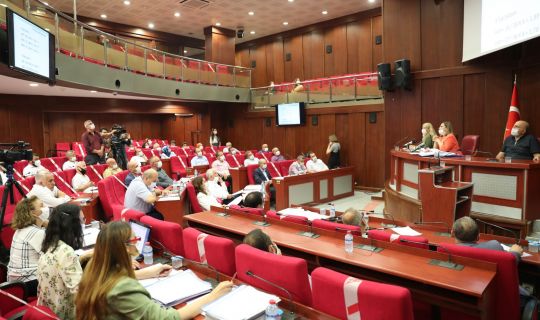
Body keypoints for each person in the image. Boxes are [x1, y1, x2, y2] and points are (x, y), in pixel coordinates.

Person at [75, 221, 233, 320]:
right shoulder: (123, 287)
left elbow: (111, 281)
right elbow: (169, 318)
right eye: (135, 240)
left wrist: (146, 273)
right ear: (125, 248)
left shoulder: (93, 267)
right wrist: (214, 295)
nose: (137, 245)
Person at [37, 203, 87, 320]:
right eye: (82, 220)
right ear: (72, 224)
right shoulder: (67, 252)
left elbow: (59, 268)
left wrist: (81, 258)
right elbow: (82, 294)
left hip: (50, 310)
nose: (84, 223)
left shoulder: (50, 244)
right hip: (66, 315)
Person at [8, 196, 46, 296]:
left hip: (15, 283)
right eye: (41, 206)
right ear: (33, 213)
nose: (45, 208)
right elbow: (53, 257)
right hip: (29, 283)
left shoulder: (19, 230)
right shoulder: (36, 233)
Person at [452, 216, 523, 262]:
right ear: (478, 237)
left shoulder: (448, 250)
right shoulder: (494, 246)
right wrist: (515, 253)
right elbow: (509, 263)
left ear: (452, 233)